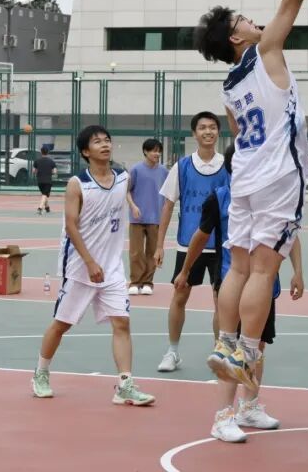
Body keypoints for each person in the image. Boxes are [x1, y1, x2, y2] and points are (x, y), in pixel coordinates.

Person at [192, 0, 308, 387]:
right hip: (278, 175)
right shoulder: (266, 49)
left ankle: (224, 342)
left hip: (245, 177)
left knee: (238, 267)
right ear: (237, 37)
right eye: (244, 20)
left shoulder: (229, 85)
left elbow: (236, 132)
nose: (254, 20)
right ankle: (246, 353)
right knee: (264, 270)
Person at [175, 144, 305, 442]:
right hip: (232, 279)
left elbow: (289, 235)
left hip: (264, 284)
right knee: (230, 348)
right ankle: (223, 416)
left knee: (257, 346)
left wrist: (298, 270)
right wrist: (185, 270)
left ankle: (249, 406)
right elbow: (200, 236)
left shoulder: (272, 197)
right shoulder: (221, 197)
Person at [31, 125, 154, 406]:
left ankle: (124, 385)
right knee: (62, 324)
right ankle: (41, 373)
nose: (105, 144)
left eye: (107, 140)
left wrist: (133, 206)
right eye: (97, 142)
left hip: (111, 267)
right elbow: (71, 226)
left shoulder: (123, 177)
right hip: (80, 266)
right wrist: (89, 262)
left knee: (122, 323)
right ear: (86, 151)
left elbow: (124, 193)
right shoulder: (77, 184)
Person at [154, 111, 229, 372]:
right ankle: (172, 351)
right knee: (179, 296)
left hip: (220, 245)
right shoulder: (182, 166)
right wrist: (159, 245)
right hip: (188, 244)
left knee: (221, 300)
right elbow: (167, 206)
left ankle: (221, 352)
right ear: (194, 134)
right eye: (203, 127)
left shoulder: (227, 166)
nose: (208, 132)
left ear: (218, 132)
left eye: (212, 127)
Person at [127, 138, 166, 295]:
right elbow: (126, 191)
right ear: (145, 151)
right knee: (136, 252)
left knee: (152, 252)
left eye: (159, 151)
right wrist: (133, 206)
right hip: (137, 218)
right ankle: (135, 282)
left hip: (156, 218)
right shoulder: (135, 169)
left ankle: (148, 283)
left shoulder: (164, 171)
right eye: (154, 151)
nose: (157, 154)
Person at [32, 145, 57, 215]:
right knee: (45, 194)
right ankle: (40, 208)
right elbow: (55, 171)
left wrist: (39, 171)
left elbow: (33, 171)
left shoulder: (37, 161)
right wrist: (50, 171)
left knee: (44, 194)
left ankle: (47, 208)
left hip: (39, 181)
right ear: (48, 152)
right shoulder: (51, 161)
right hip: (48, 181)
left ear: (41, 152)